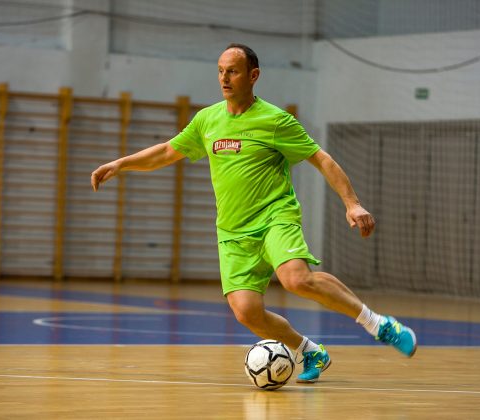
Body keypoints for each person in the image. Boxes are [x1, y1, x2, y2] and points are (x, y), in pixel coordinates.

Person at [91, 44, 416, 382]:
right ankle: (309, 351)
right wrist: (121, 164)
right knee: (247, 312)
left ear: (253, 75)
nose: (224, 78)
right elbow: (166, 152)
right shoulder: (207, 120)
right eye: (220, 71)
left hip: (274, 217)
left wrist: (352, 203)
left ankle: (379, 325)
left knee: (296, 279)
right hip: (233, 232)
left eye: (232, 71)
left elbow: (321, 159)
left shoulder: (275, 120)